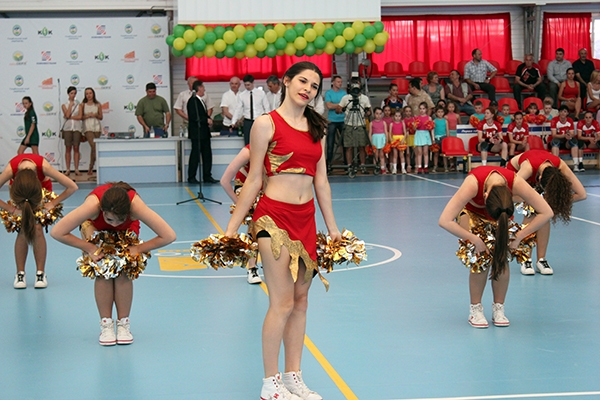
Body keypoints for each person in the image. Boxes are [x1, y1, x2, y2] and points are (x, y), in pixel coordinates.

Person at [223, 61, 341, 399]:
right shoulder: (265, 124)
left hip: (306, 220)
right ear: (286, 81)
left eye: (314, 86)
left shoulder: (317, 127)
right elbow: (254, 180)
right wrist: (231, 228)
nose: (308, 89)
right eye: (302, 81)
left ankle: (293, 376)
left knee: (301, 302)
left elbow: (322, 181)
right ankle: (270, 382)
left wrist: (332, 227)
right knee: (282, 302)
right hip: (273, 218)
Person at [50, 182, 176, 346]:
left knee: (124, 269)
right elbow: (57, 232)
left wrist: (137, 248)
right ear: (102, 211)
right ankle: (106, 324)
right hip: (94, 225)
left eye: (119, 220)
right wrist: (90, 248)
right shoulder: (92, 206)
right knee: (103, 268)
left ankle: (123, 324)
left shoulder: (136, 206)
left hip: (127, 230)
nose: (114, 225)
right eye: (110, 219)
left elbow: (169, 235)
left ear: (128, 213)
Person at [439, 166, 553, 328]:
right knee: (482, 258)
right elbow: (444, 220)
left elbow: (547, 212)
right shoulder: (472, 184)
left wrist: (519, 236)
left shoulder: (516, 183)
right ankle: (475, 308)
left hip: (501, 217)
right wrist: (474, 239)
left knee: (502, 257)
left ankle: (499, 307)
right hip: (472, 214)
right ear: (485, 196)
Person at [0, 154, 78, 289]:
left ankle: (40, 273)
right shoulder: (10, 170)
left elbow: (72, 187)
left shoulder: (44, 167)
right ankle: (20, 273)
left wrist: (52, 203)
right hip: (20, 194)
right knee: (23, 229)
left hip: (40, 194)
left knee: (37, 228)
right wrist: (11, 209)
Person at [507, 150, 586, 275]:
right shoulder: (527, 169)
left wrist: (552, 202)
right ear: (539, 179)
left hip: (537, 174)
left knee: (544, 212)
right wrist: (529, 199)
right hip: (517, 175)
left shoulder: (561, 166)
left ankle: (541, 259)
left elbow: (582, 194)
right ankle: (526, 259)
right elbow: (506, 192)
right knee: (531, 211)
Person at [219, 145, 262, 284]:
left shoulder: (276, 149)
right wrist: (240, 204)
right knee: (255, 225)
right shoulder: (248, 151)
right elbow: (224, 181)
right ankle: (252, 268)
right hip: (245, 188)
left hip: (266, 188)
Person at [337, 78, 371, 175]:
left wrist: (367, 112)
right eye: (353, 84)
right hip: (349, 124)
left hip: (360, 124)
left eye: (357, 84)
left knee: (362, 146)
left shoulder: (364, 98)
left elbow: (369, 111)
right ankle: (349, 166)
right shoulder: (345, 98)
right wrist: (341, 109)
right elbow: (338, 109)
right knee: (349, 146)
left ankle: (363, 165)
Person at [187, 80, 217, 184]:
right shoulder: (193, 101)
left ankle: (207, 175)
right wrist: (206, 120)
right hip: (197, 133)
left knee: (207, 155)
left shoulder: (201, 100)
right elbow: (194, 116)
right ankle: (191, 176)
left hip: (204, 132)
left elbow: (202, 115)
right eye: (203, 87)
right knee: (195, 155)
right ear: (199, 88)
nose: (204, 89)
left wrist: (208, 119)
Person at [231, 74, 270, 145]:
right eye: (245, 85)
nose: (247, 87)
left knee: (260, 141)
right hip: (247, 121)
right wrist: (233, 121)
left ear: (253, 83)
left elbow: (266, 107)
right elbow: (238, 109)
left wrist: (268, 120)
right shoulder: (242, 95)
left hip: (259, 120)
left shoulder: (261, 93)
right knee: (248, 142)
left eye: (248, 85)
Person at [324, 75, 346, 171]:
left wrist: (335, 105)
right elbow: (329, 106)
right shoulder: (328, 93)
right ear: (333, 82)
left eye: (341, 82)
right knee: (330, 143)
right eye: (338, 82)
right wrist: (340, 105)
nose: (340, 83)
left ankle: (346, 164)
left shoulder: (344, 93)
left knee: (345, 143)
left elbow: (346, 105)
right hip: (332, 120)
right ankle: (329, 165)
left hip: (342, 120)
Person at [79, 88, 103, 175]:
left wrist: (95, 115)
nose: (89, 95)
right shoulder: (83, 105)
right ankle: (96, 166)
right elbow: (80, 117)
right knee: (94, 146)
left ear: (93, 94)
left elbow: (101, 117)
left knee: (94, 148)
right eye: (87, 94)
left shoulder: (98, 104)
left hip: (97, 128)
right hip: (87, 128)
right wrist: (87, 116)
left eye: (90, 93)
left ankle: (91, 168)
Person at [550, 105, 579, 171]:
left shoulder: (570, 120)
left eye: (565, 111)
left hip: (566, 142)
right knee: (555, 142)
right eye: (561, 111)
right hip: (558, 139)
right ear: (559, 112)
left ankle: (576, 165)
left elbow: (572, 133)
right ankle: (555, 165)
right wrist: (564, 135)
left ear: (567, 113)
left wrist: (569, 136)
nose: (563, 113)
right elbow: (554, 135)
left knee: (574, 142)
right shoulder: (554, 120)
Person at [61, 86, 82, 176]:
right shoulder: (64, 105)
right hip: (67, 128)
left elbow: (80, 117)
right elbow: (66, 115)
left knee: (76, 148)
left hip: (77, 128)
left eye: (75, 93)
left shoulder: (79, 105)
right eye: (71, 93)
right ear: (68, 94)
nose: (73, 95)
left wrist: (70, 117)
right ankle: (68, 169)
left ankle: (76, 169)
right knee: (68, 148)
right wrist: (70, 105)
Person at [413, 102, 434, 174]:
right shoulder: (416, 118)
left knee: (425, 152)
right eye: (420, 109)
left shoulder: (429, 118)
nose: (422, 110)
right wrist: (415, 125)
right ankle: (419, 167)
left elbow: (431, 129)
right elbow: (414, 128)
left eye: (423, 108)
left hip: (425, 134)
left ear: (426, 109)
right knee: (419, 152)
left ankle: (426, 167)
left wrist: (433, 138)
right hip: (419, 134)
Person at [369, 107, 388, 174]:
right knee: (375, 155)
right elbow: (370, 133)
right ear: (374, 114)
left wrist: (386, 141)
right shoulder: (371, 123)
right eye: (377, 113)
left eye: (380, 114)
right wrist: (370, 142)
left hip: (382, 139)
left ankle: (383, 168)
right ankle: (376, 168)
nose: (378, 115)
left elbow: (386, 132)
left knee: (382, 155)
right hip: (375, 139)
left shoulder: (383, 122)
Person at [388, 109, 407, 174]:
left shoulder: (402, 123)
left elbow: (405, 133)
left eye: (399, 116)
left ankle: (403, 168)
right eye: (396, 116)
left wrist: (403, 139)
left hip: (401, 139)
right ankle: (394, 169)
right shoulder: (391, 124)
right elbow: (390, 133)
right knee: (395, 155)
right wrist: (391, 140)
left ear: (401, 117)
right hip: (394, 140)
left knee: (401, 155)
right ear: (394, 116)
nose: (397, 117)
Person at [432, 106, 449, 172]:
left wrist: (447, 139)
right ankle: (435, 166)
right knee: (436, 153)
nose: (440, 113)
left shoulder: (445, 121)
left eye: (442, 112)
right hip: (437, 138)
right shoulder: (434, 121)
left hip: (444, 138)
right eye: (438, 112)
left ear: (444, 113)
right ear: (436, 113)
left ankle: (446, 167)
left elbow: (447, 130)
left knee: (444, 153)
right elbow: (433, 131)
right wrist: (433, 139)